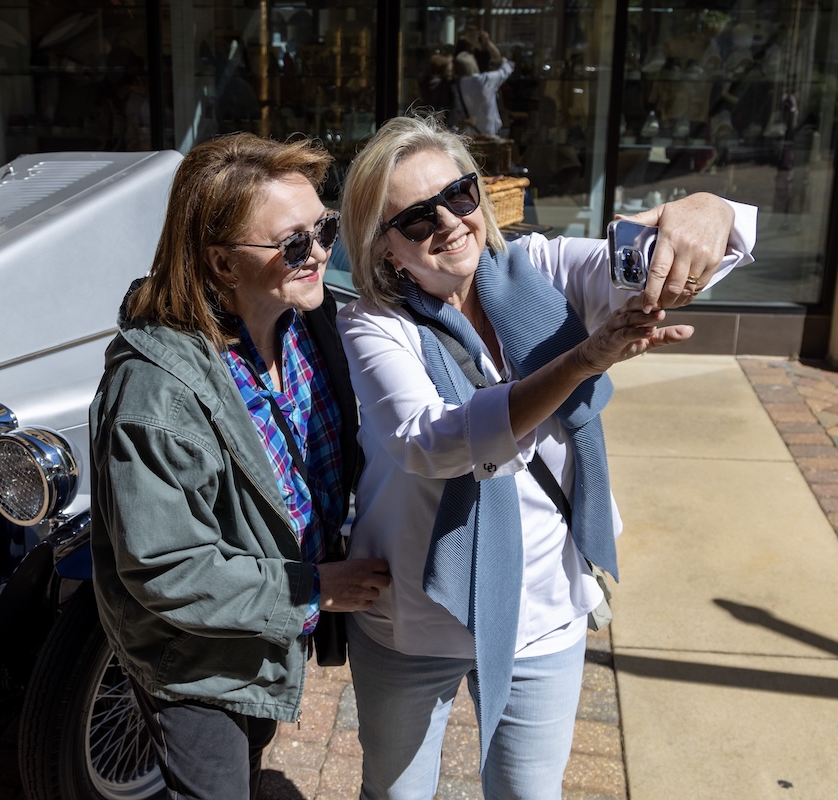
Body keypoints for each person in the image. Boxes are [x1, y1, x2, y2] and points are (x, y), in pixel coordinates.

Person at [335, 113, 757, 799]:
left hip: (543, 604)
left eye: (459, 195)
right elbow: (430, 441)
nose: (449, 222)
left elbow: (662, 259)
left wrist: (709, 214)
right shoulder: (372, 321)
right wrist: (580, 361)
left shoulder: (545, 270)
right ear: (386, 251)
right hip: (413, 611)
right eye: (416, 219)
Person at [89, 132, 392, 800]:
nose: (320, 255)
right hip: (195, 658)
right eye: (293, 244)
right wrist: (313, 589)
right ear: (222, 265)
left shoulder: (308, 321)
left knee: (249, 756)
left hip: (258, 635)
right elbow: (169, 571)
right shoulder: (155, 395)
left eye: (323, 228)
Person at [452, 30, 513, 137]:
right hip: (487, 137)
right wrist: (488, 43)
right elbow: (505, 69)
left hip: (466, 136)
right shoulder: (482, 81)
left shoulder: (456, 84)